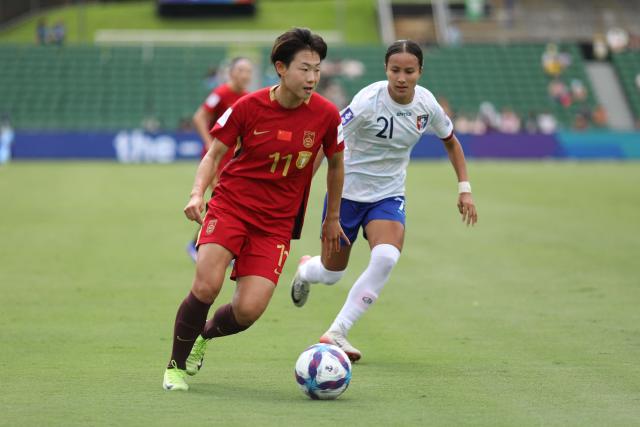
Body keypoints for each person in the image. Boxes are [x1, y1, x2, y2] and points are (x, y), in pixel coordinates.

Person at [162, 28, 348, 391]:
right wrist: (197, 193)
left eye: (317, 70)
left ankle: (204, 337)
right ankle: (175, 366)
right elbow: (214, 154)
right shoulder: (248, 106)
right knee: (206, 286)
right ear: (280, 68)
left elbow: (337, 166)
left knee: (248, 311)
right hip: (230, 207)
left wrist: (332, 218)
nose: (312, 78)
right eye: (304, 69)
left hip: (276, 224)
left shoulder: (327, 115)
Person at [289, 40, 478, 362]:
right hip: (346, 194)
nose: (401, 78)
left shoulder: (427, 105)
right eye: (395, 70)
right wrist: (301, 185)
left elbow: (451, 142)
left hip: (388, 195)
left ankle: (337, 332)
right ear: (386, 70)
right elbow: (329, 138)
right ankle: (307, 270)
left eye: (409, 71)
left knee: (386, 258)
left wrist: (465, 188)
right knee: (332, 273)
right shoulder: (367, 101)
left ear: (420, 71)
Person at [186, 57, 253, 262]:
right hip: (217, 159)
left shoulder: (248, 97)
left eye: (248, 71)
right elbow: (199, 117)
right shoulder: (221, 93)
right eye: (241, 70)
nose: (245, 75)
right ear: (231, 72)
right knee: (220, 202)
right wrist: (208, 144)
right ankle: (197, 244)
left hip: (233, 161)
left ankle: (218, 245)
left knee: (228, 203)